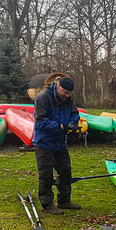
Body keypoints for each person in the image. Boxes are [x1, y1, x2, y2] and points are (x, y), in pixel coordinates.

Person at [32, 76, 81, 214]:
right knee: (46, 174)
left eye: (69, 93)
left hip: (60, 142)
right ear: (58, 86)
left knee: (65, 171)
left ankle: (64, 200)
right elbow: (41, 122)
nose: (67, 95)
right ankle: (47, 204)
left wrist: (73, 124)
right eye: (65, 92)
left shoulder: (68, 99)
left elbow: (75, 114)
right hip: (44, 142)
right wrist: (61, 126)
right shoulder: (43, 98)